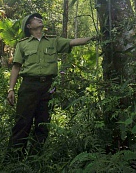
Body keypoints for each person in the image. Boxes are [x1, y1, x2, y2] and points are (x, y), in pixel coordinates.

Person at [6, 12, 95, 159]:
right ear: (29, 26)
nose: (39, 19)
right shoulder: (23, 44)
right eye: (35, 19)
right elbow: (16, 67)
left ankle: (35, 159)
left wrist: (94, 38)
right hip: (29, 86)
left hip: (48, 86)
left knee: (43, 124)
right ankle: (14, 159)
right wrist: (11, 89)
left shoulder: (53, 41)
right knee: (22, 122)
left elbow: (73, 42)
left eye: (39, 18)